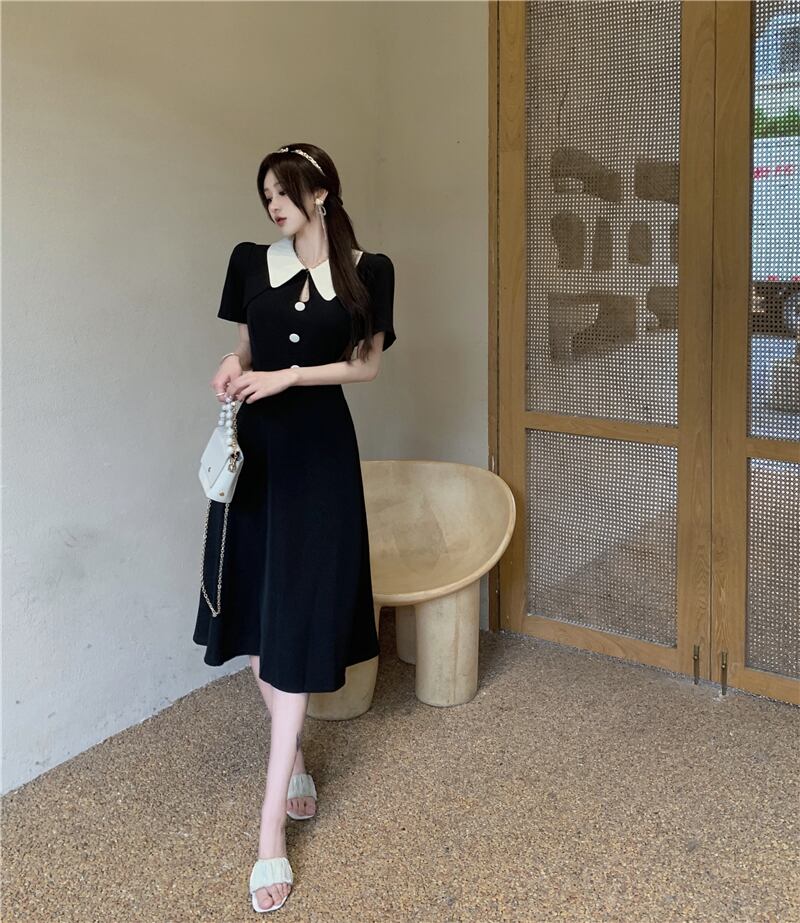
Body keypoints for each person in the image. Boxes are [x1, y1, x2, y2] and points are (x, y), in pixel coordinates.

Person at [192, 143, 396, 913]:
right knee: (256, 624)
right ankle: (298, 755)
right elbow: (249, 342)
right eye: (266, 195)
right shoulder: (251, 261)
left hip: (319, 453)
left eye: (283, 192)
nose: (273, 205)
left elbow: (367, 366)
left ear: (320, 193)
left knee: (299, 622)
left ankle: (269, 830)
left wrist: (292, 376)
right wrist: (234, 362)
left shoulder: (369, 271)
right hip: (258, 452)